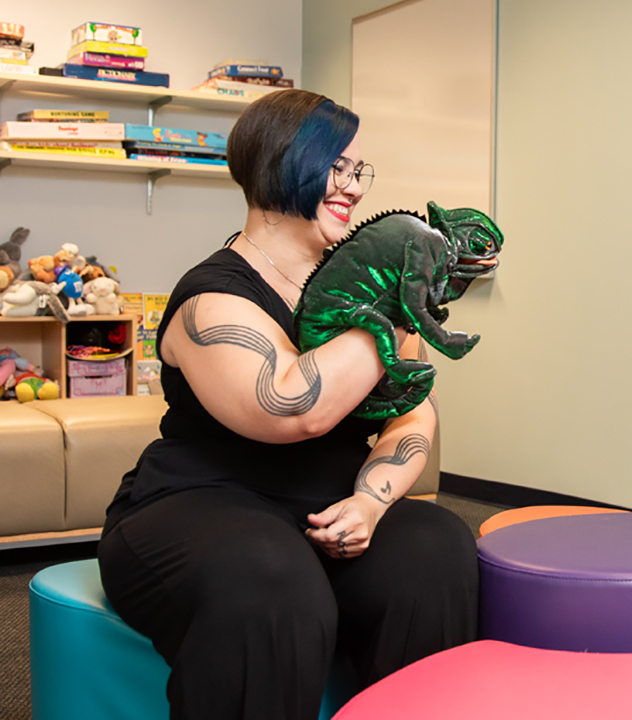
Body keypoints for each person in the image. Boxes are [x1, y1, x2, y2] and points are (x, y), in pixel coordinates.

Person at [97, 90, 478, 720]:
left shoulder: (372, 287)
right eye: (337, 167)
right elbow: (295, 408)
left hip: (331, 501)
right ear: (280, 163)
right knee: (270, 579)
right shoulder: (212, 298)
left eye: (358, 170)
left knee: (437, 549)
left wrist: (370, 502)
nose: (354, 187)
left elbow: (413, 411)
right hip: (201, 502)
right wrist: (392, 303)